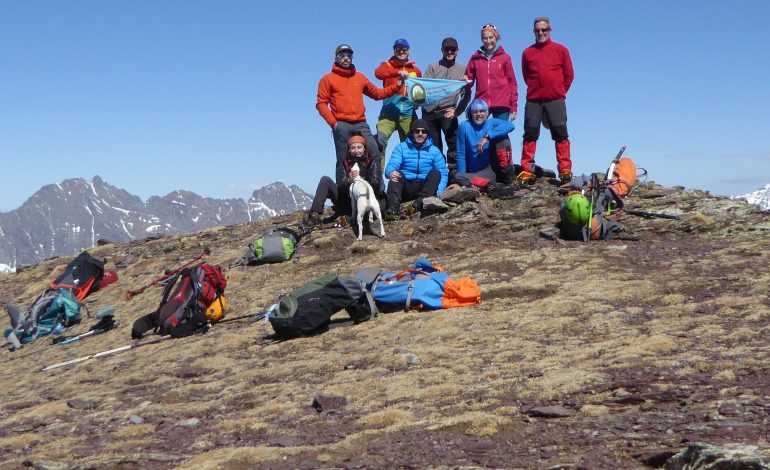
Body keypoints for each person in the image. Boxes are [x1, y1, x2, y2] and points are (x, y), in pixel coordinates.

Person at [316, 44, 402, 185]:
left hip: (360, 123)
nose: (346, 58)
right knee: (343, 159)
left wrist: (397, 86)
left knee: (374, 151)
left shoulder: (360, 77)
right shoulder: (327, 79)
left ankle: (378, 192)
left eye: (349, 55)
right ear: (336, 58)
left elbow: (377, 93)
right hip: (341, 123)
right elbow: (321, 103)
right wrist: (334, 123)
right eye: (342, 55)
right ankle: (344, 197)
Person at [518, 16, 575, 185]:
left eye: (544, 29)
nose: (541, 32)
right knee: (530, 133)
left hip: (555, 99)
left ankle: (565, 169)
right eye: (537, 30)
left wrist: (559, 92)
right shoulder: (527, 52)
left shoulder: (561, 49)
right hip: (534, 100)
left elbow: (569, 75)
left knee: (560, 133)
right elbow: (526, 76)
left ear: (550, 30)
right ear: (534, 32)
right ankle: (527, 170)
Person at [302, 132, 382, 228]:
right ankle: (314, 215)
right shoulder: (343, 162)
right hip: (346, 201)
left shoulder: (372, 160)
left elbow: (376, 185)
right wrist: (350, 180)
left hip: (366, 201)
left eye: (359, 147)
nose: (356, 151)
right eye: (353, 148)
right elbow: (340, 186)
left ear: (364, 148)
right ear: (349, 149)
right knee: (325, 180)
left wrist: (362, 176)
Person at [422, 37, 471, 180]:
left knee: (453, 144)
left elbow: (467, 95)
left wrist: (457, 112)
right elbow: (423, 87)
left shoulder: (463, 69)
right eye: (446, 49)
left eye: (453, 49)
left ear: (457, 50)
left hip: (448, 112)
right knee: (434, 147)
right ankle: (437, 176)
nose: (449, 51)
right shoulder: (433, 66)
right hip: (429, 112)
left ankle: (454, 175)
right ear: (442, 50)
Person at [383, 119, 448, 219]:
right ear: (412, 132)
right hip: (406, 187)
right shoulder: (401, 147)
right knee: (397, 175)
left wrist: (439, 192)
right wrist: (390, 172)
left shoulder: (434, 151)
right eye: (417, 131)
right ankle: (392, 209)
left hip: (424, 188)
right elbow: (392, 165)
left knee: (436, 173)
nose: (420, 134)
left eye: (424, 131)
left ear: (427, 134)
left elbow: (443, 173)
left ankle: (417, 204)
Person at [374, 39, 422, 155]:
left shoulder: (416, 70)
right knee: (378, 142)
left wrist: (417, 102)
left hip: (408, 114)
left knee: (413, 145)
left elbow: (419, 89)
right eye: (398, 49)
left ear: (409, 50)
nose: (401, 52)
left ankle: (408, 172)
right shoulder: (387, 64)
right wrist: (396, 73)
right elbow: (378, 73)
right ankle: (377, 172)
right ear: (394, 51)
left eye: (404, 49)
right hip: (388, 112)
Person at [454, 99, 515, 188]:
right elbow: (461, 155)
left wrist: (487, 136)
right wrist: (461, 181)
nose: (478, 114)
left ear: (487, 113)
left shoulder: (491, 122)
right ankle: (492, 186)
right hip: (478, 174)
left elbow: (510, 126)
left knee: (503, 138)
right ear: (471, 113)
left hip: (492, 168)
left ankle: (509, 178)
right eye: (475, 111)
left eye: (481, 111)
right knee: (458, 177)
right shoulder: (464, 126)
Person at [464, 23, 518, 121]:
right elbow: (469, 81)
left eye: (491, 37)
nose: (488, 41)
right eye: (485, 38)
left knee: (500, 134)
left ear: (496, 38)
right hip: (481, 103)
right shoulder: (475, 58)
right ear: (482, 39)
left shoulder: (505, 58)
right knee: (475, 133)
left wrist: (513, 106)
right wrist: (465, 81)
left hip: (502, 103)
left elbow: (512, 83)